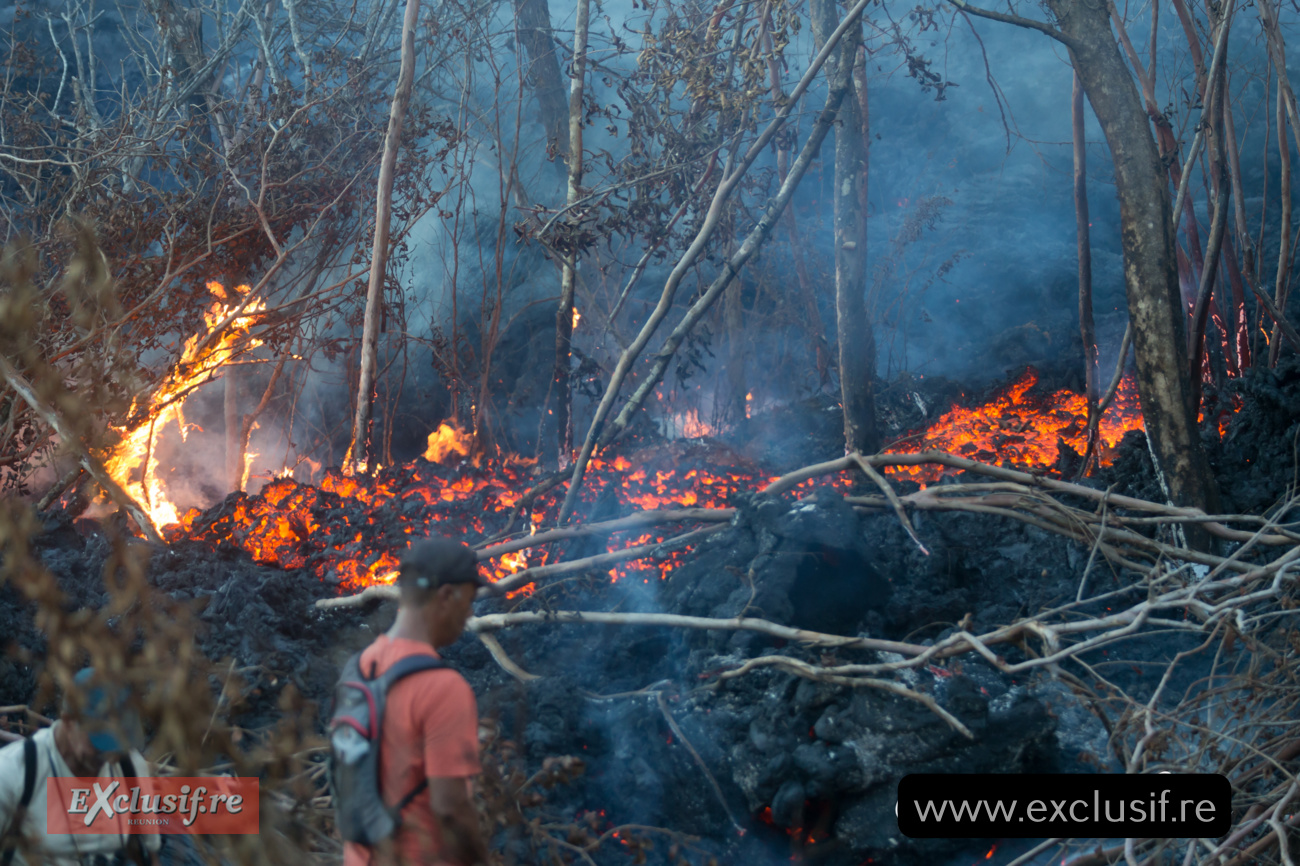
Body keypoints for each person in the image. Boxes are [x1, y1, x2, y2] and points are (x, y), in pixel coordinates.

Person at [342, 537, 491, 866]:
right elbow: (450, 806)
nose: (468, 615)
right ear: (446, 596)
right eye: (468, 602)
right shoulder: (443, 689)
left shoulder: (360, 666)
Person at [0, 668, 162, 866]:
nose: (109, 756)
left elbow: (150, 855)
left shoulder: (131, 768)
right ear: (68, 720)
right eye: (99, 742)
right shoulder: (13, 774)